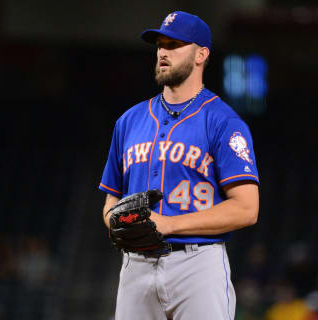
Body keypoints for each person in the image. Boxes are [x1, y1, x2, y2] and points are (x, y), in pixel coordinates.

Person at [99, 11, 260, 320]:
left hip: (198, 263)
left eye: (174, 44)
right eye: (160, 44)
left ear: (201, 54)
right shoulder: (129, 121)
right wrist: (116, 223)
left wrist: (171, 224)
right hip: (136, 264)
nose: (163, 51)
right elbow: (110, 200)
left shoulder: (223, 122)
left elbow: (247, 209)